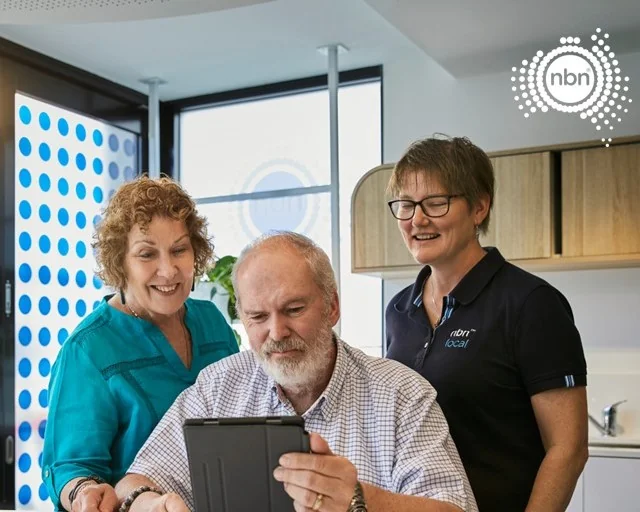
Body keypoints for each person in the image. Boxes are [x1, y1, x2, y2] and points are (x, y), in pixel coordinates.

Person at [114, 231, 478, 512]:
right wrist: (151, 502)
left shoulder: (402, 395)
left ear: (332, 307)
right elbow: (135, 481)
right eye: (257, 316)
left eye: (294, 309)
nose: (276, 333)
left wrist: (360, 499)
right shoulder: (217, 387)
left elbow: (455, 508)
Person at [385, 135, 588, 511]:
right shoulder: (399, 310)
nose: (417, 219)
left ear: (479, 207)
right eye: (407, 205)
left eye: (436, 202)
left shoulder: (530, 303)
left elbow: (569, 448)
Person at [42, 176, 239, 512]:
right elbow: (71, 467)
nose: (169, 270)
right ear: (120, 262)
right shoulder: (89, 349)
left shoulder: (212, 322)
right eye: (147, 254)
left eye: (179, 249)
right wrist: (83, 492)